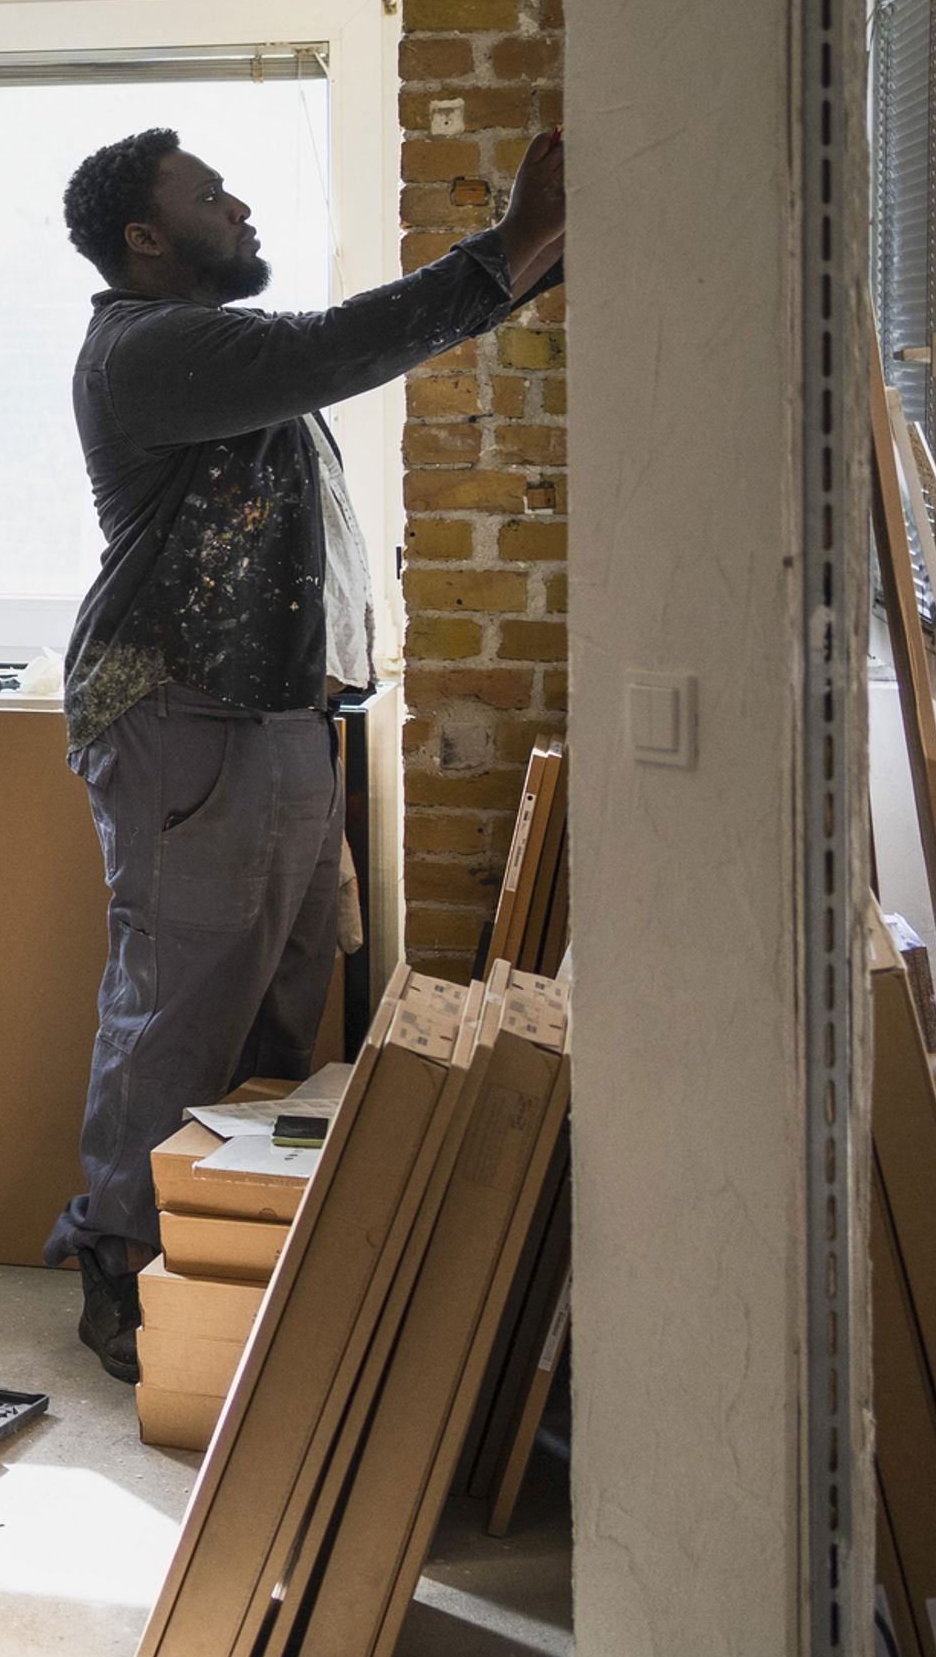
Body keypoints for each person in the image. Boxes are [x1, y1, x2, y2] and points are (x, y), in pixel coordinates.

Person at [46, 126, 566, 1383]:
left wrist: (541, 252)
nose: (238, 203)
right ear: (145, 238)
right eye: (207, 194)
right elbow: (338, 345)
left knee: (280, 1000)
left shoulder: (207, 348)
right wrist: (513, 243)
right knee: (182, 1004)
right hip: (182, 713)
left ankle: (231, 1254)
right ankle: (124, 1263)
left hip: (268, 714)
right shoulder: (151, 347)